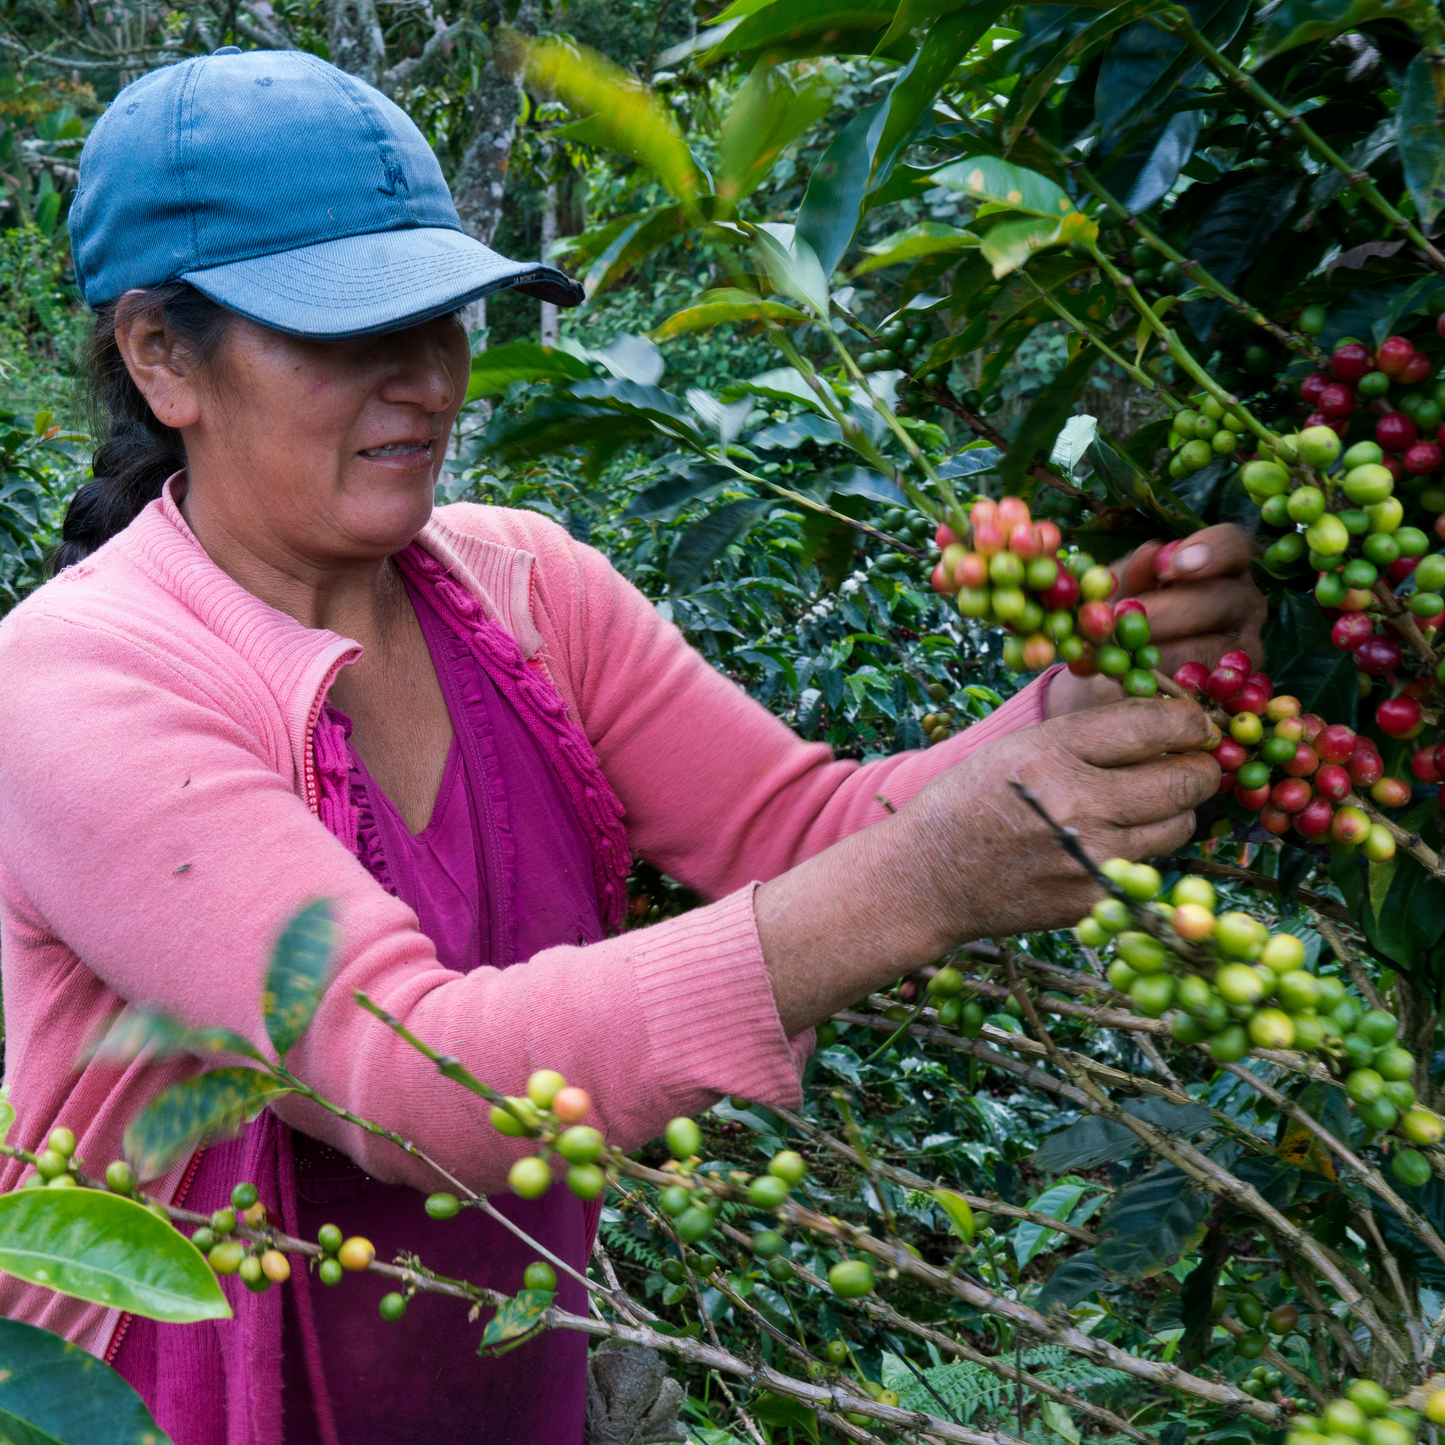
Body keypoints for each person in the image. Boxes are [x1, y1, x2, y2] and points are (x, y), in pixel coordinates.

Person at [0, 45, 1264, 1445]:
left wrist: (1076, 714)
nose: (427, 379)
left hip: (508, 1390)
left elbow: (806, 828)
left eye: (446, 320)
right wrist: (936, 881)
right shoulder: (77, 681)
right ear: (162, 356)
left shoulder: (526, 587)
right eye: (352, 335)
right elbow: (420, 1086)